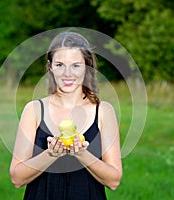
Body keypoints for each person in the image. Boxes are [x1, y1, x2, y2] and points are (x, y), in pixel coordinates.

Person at [10, 31, 122, 200]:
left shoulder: (104, 111)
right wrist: (50, 154)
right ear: (50, 67)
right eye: (60, 65)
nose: (67, 73)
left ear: (87, 66)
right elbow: (17, 178)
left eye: (76, 65)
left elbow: (114, 180)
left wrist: (81, 153)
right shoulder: (33, 110)